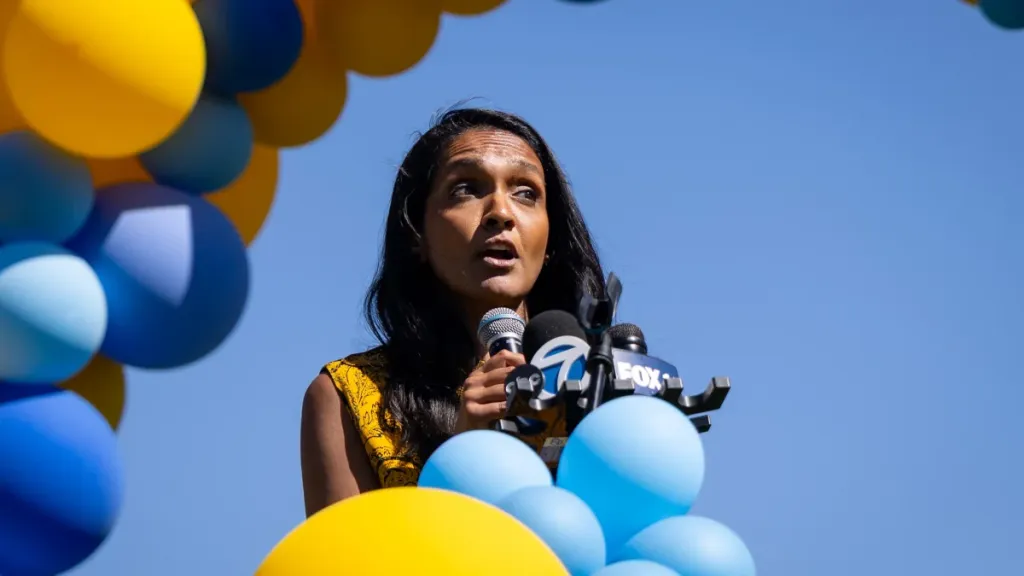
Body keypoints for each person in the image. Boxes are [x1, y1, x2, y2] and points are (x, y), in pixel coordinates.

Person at [299, 107, 606, 518]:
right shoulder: (347, 394)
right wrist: (462, 458)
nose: (501, 212)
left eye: (526, 192)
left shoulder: (603, 377)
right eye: (465, 189)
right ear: (416, 235)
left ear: (550, 242)